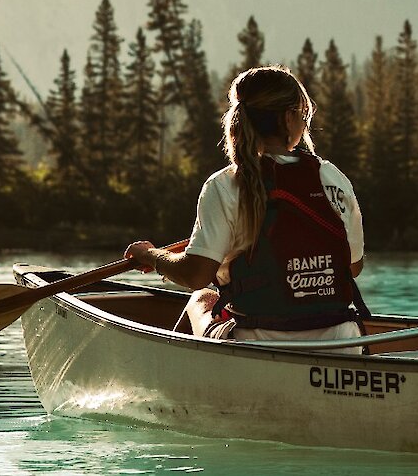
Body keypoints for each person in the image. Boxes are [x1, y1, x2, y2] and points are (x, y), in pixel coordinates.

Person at [125, 65, 368, 346]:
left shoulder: (224, 185)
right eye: (303, 116)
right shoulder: (331, 177)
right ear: (288, 119)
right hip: (342, 345)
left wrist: (152, 256)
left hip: (259, 342)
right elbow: (352, 267)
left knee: (201, 298)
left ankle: (175, 376)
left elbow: (196, 275)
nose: (304, 123)